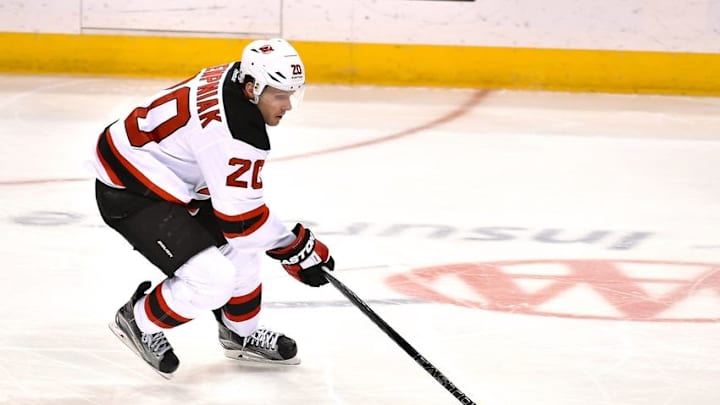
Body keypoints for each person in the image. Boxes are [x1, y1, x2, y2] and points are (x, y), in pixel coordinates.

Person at [90, 38, 335, 378]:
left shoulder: (236, 80)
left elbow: (243, 228)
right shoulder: (235, 132)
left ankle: (241, 333)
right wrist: (295, 247)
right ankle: (139, 319)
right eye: (280, 95)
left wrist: (290, 246)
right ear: (252, 88)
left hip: (167, 174)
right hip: (132, 189)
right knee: (213, 280)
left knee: (242, 253)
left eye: (292, 94)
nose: (288, 105)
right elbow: (243, 224)